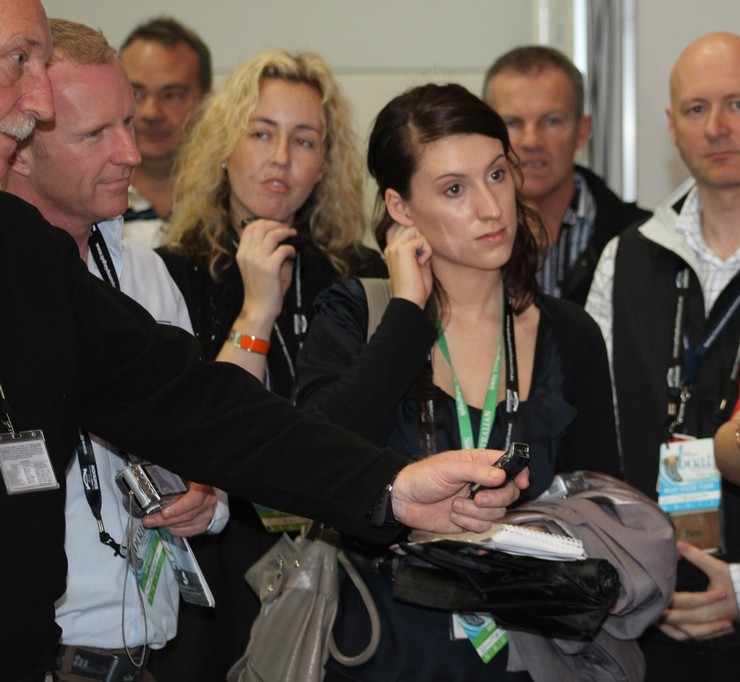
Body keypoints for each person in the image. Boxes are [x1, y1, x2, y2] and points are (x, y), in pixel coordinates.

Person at [0, 3, 524, 680]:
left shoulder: (35, 262)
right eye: (18, 62)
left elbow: (202, 412)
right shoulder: (163, 261)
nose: (34, 99)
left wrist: (389, 486)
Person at [295, 82, 623, 681]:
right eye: (454, 189)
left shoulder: (568, 333)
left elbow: (609, 507)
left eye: (497, 175)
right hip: (381, 650)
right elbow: (313, 464)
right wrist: (405, 314)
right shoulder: (354, 316)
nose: (491, 207)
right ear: (400, 208)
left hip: (532, 653)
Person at [1, 18, 227, 680]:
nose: (130, 152)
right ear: (21, 151)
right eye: (96, 134)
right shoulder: (14, 285)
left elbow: (208, 433)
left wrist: (206, 496)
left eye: (125, 121)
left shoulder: (145, 271)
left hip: (145, 655)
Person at [151, 49, 384, 681]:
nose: (280, 157)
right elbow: (201, 433)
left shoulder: (360, 275)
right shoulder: (170, 271)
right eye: (261, 133)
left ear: (323, 166)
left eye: (303, 140)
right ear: (224, 148)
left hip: (337, 559)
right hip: (214, 562)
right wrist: (256, 307)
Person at [585, 32, 740, 680]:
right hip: (645, 611)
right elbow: (596, 436)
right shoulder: (624, 255)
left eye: (739, 104)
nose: (718, 128)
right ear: (670, 126)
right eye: (696, 109)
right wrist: (631, 569)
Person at [483, 46, 650, 304]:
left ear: (582, 131)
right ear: (484, 135)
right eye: (512, 123)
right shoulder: (453, 238)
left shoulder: (644, 240)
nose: (531, 141)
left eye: (551, 121)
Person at [118, 16, 211, 250]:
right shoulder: (84, 202)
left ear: (208, 103)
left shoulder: (227, 205)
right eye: (136, 93)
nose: (151, 113)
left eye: (172, 95)